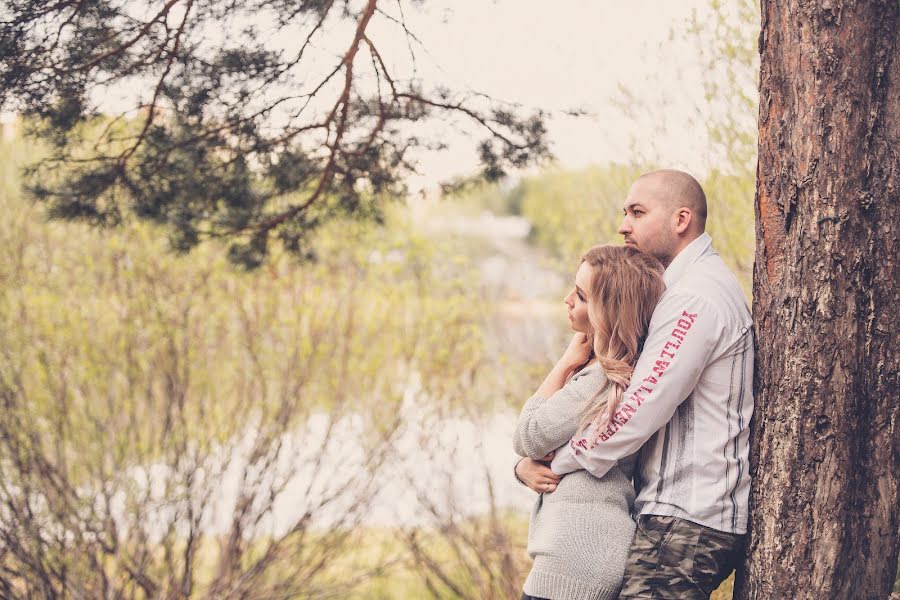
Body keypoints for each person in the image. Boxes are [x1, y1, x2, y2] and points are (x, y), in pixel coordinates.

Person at [518, 169, 754, 599]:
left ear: (681, 220)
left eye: (637, 212)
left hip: (689, 515)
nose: (624, 225)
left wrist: (552, 463)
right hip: (667, 511)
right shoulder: (677, 292)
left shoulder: (695, 299)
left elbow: (631, 416)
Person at [513, 244, 666, 600]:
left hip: (577, 558)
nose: (568, 300)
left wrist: (565, 362)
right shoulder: (609, 372)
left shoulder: (600, 378)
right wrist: (522, 469)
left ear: (607, 312)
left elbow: (528, 436)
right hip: (580, 555)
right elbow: (540, 450)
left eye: (581, 296)